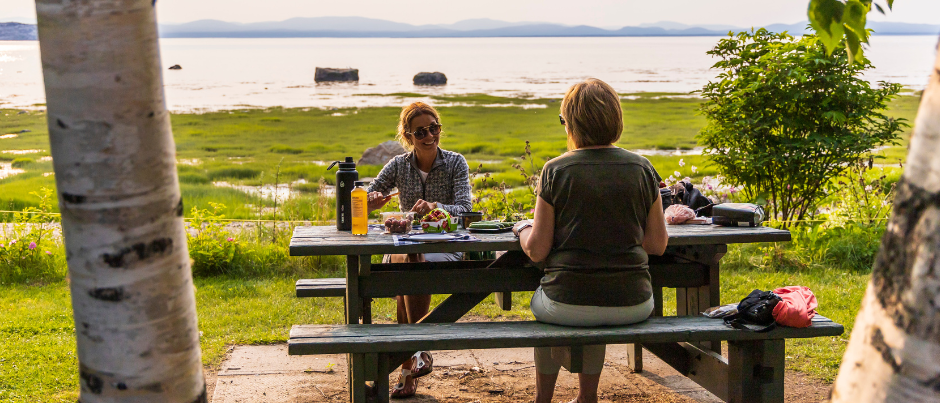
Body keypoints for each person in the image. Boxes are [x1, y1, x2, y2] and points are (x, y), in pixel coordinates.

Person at [512, 78, 669, 403]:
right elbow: (657, 244)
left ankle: (544, 399)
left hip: (566, 304)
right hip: (634, 304)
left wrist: (521, 228)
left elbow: (538, 249)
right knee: (597, 298)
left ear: (572, 122)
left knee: (561, 301)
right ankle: (587, 397)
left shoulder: (556, 171)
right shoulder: (642, 169)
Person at [366, 101, 472, 398]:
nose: (429, 136)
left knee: (407, 274)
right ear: (408, 136)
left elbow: (465, 209)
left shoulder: (455, 163)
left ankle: (412, 358)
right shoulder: (398, 165)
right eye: (421, 131)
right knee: (410, 257)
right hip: (403, 247)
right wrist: (372, 200)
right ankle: (417, 356)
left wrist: (436, 207)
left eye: (434, 128)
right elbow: (368, 192)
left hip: (445, 246)